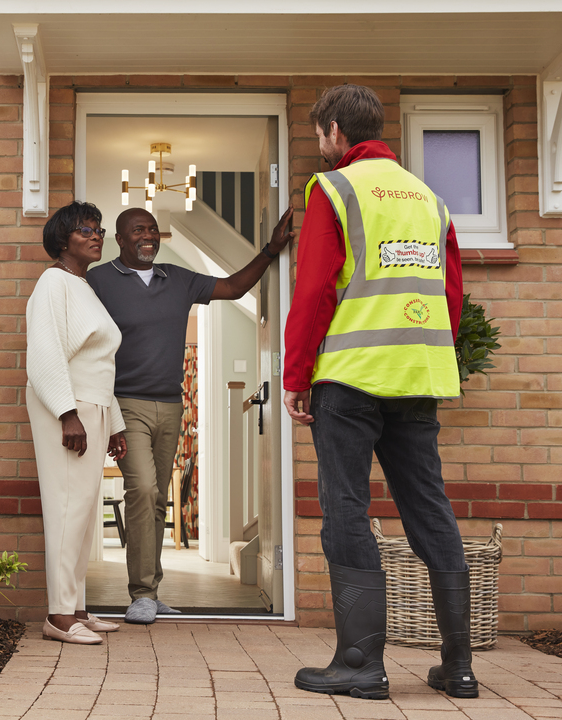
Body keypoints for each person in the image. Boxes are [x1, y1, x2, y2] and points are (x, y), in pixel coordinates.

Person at [282, 84, 474, 700]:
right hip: (417, 378)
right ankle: (459, 667)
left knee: (346, 510)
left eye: (318, 136)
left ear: (337, 131)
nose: (320, 147)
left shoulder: (335, 190)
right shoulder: (430, 198)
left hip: (353, 376)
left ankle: (361, 664)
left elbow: (313, 292)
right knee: (429, 509)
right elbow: (450, 298)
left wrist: (296, 378)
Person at [87, 205, 294, 625]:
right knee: (143, 490)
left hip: (171, 401)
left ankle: (152, 590)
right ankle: (141, 594)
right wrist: (103, 413)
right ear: (121, 239)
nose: (148, 235)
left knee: (158, 497)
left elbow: (235, 287)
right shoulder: (98, 280)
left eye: (152, 229)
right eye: (138, 230)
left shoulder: (178, 279)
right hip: (125, 402)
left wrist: (271, 250)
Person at [26, 200, 130, 645]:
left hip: (93, 408)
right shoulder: (52, 282)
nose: (96, 235)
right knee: (67, 509)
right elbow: (45, 352)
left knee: (83, 513)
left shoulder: (82, 287)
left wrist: (116, 424)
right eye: (85, 229)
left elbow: (100, 362)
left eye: (99, 229)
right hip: (67, 409)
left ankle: (77, 609)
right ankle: (58, 616)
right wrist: (68, 414)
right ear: (62, 239)